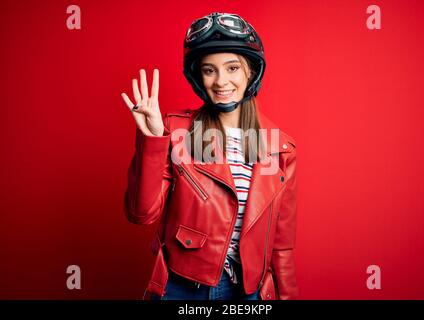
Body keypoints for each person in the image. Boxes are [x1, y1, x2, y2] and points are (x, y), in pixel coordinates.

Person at [121, 12, 299, 300]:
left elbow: (281, 245)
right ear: (198, 76)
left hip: (248, 292)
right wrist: (152, 140)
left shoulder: (280, 148)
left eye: (232, 68)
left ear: (250, 72)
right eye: (209, 70)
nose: (220, 81)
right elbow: (141, 214)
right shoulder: (176, 130)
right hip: (182, 289)